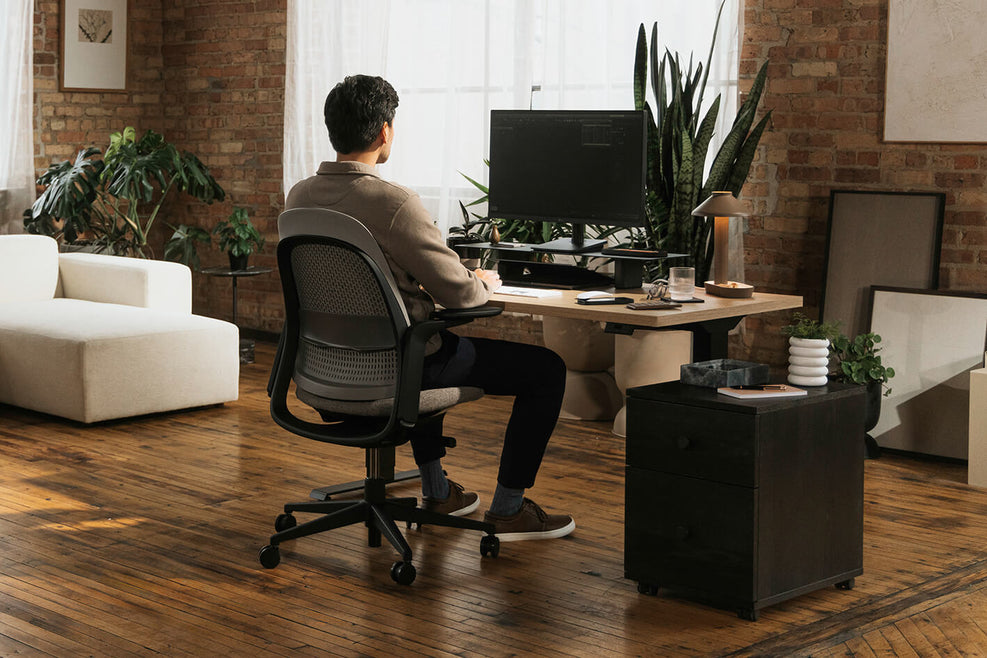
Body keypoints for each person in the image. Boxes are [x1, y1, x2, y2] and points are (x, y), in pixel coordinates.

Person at [285, 75, 574, 542]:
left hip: (324, 372)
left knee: (424, 341)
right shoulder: (394, 202)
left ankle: (439, 491)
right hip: (399, 372)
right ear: (385, 131)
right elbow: (462, 296)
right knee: (544, 369)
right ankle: (508, 508)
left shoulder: (299, 198)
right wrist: (478, 280)